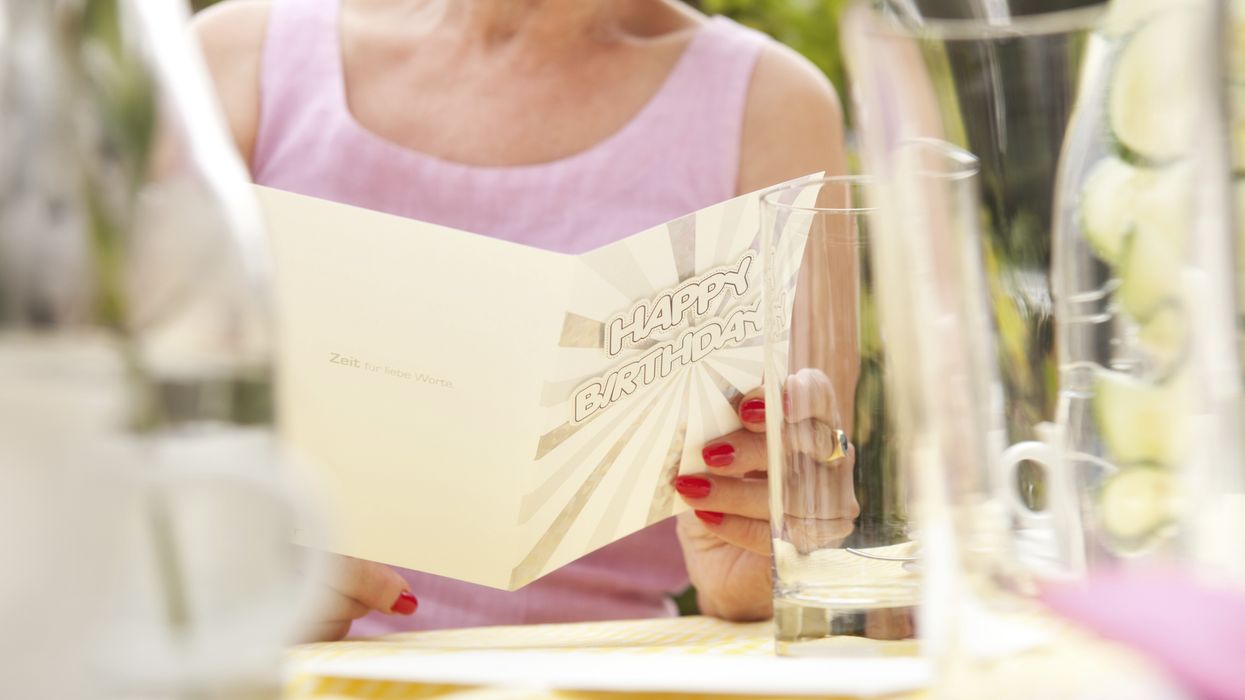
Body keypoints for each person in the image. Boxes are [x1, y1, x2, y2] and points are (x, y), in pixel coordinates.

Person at [194, 0, 847, 641]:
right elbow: (124, 457)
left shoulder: (770, 106)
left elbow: (790, 525)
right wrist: (226, 576)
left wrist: (761, 567)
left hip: (598, 682)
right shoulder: (237, 57)